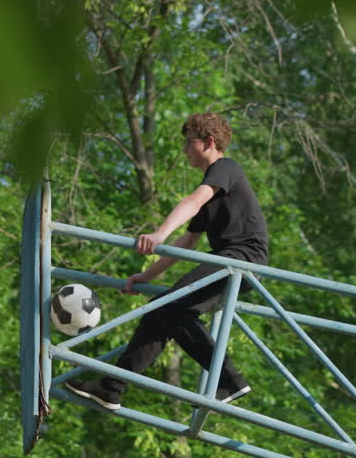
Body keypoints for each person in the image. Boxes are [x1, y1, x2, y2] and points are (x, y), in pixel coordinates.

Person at [65, 112, 269, 410]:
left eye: (189, 143)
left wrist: (159, 232)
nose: (184, 150)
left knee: (173, 308)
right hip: (229, 260)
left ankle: (229, 381)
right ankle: (111, 388)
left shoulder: (226, 169)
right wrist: (145, 277)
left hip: (243, 259)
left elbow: (193, 201)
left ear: (209, 143)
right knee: (160, 312)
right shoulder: (214, 189)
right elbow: (187, 242)